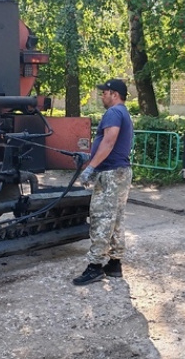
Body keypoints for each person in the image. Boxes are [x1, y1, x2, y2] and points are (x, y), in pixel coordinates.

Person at [72, 78, 134, 286]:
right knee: (116, 219)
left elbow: (108, 142)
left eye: (104, 92)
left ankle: (95, 267)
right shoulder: (123, 112)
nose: (102, 96)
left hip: (110, 173)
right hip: (120, 172)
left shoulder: (114, 113)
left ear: (114, 94)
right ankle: (115, 264)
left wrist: (91, 168)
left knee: (101, 218)